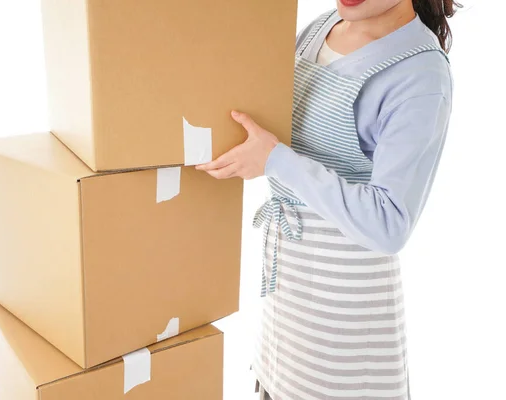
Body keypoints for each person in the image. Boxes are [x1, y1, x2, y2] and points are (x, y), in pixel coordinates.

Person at [196, 0, 460, 398]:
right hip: (285, 321)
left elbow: (389, 225)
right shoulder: (324, 26)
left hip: (343, 340)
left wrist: (274, 160)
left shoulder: (420, 73)